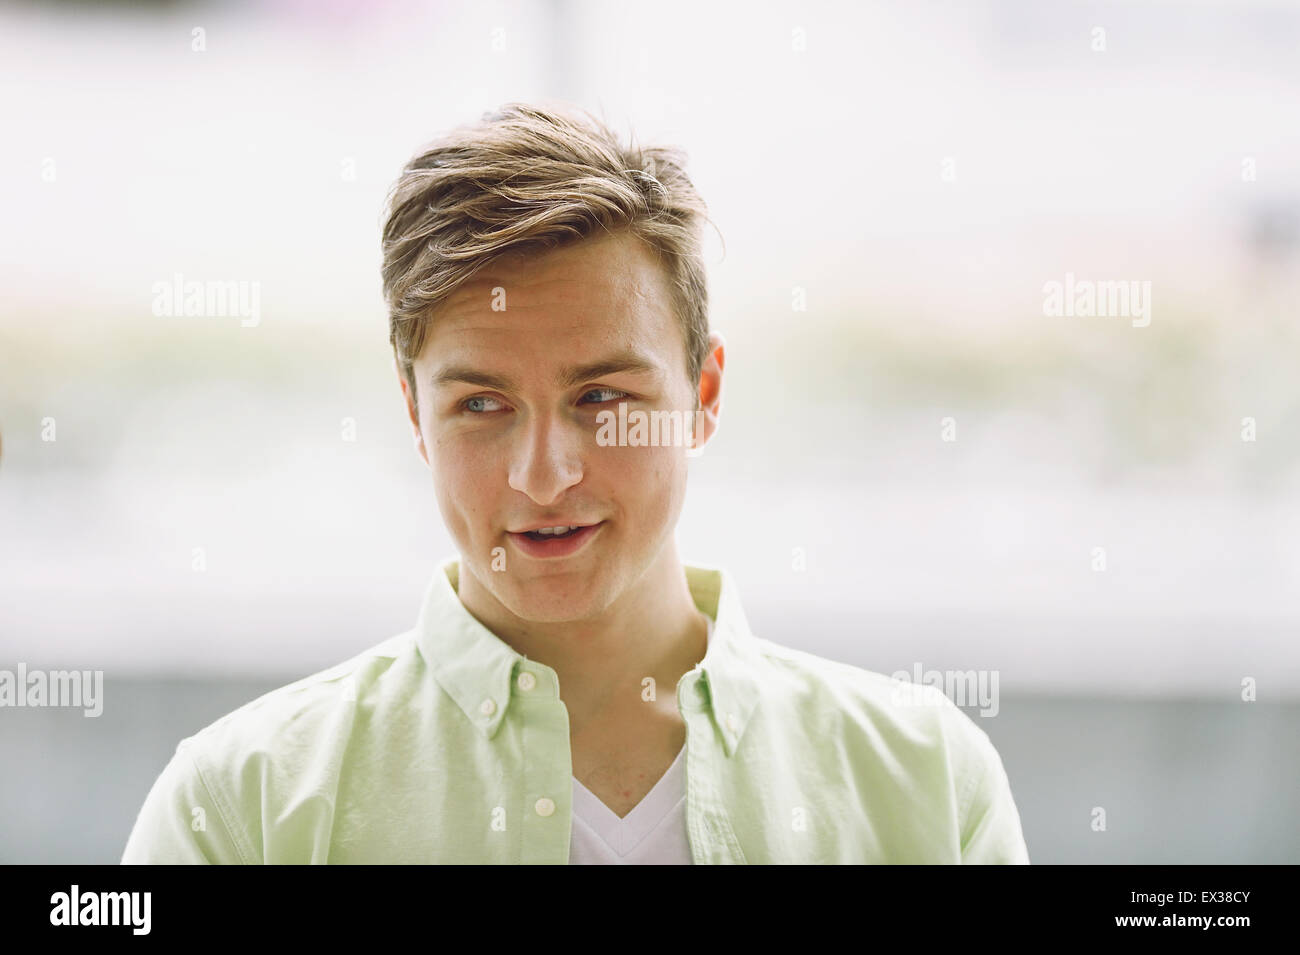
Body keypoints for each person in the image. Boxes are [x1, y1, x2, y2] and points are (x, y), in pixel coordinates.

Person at [121, 102, 1030, 864]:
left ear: (702, 396)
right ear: (414, 416)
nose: (544, 474)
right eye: (482, 404)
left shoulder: (928, 787)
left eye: (601, 397)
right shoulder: (241, 811)